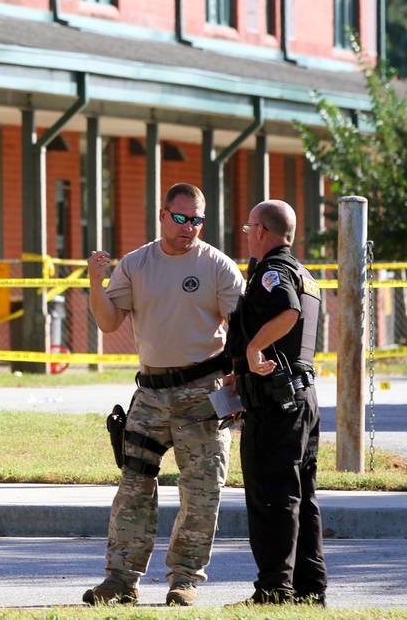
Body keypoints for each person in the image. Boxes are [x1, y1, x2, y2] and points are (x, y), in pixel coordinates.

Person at [83, 182, 245, 607]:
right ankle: (121, 579)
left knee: (201, 490)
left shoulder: (219, 267)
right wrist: (96, 283)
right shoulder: (137, 264)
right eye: (180, 218)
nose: (188, 228)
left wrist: (238, 380)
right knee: (134, 487)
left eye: (196, 220)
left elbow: (242, 331)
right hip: (152, 393)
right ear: (162, 214)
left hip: (202, 393)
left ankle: (185, 579)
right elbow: (108, 322)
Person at [228, 199, 327, 605]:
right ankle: (309, 588)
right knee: (302, 495)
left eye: (248, 226)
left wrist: (253, 349)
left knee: (273, 496)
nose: (247, 233)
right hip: (301, 398)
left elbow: (287, 312)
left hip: (277, 404)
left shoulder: (272, 271)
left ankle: (273, 589)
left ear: (263, 231)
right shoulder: (305, 274)